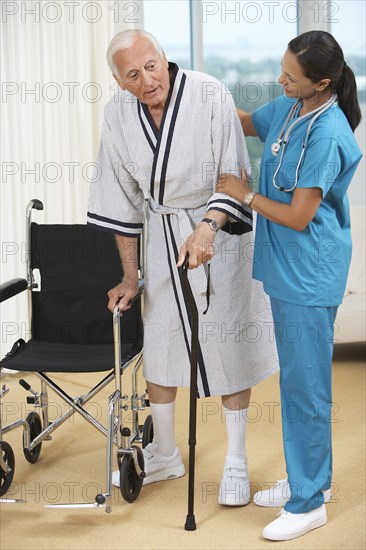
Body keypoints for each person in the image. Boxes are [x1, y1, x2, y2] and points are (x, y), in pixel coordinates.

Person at [87, 29, 278, 505]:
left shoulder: (209, 92)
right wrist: (131, 277)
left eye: (151, 65)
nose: (148, 79)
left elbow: (234, 173)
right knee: (163, 340)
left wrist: (207, 229)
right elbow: (121, 200)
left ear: (163, 57)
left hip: (221, 229)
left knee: (229, 337)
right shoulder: (117, 114)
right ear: (118, 81)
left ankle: (236, 460)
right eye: (133, 74)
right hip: (161, 233)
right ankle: (166, 452)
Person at [216, 30, 362, 539]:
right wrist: (190, 91)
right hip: (285, 270)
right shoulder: (289, 107)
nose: (280, 81)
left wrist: (244, 194)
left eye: (291, 76)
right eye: (281, 68)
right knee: (296, 382)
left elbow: (299, 216)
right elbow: (244, 120)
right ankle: (311, 482)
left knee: (305, 389)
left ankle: (308, 503)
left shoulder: (329, 132)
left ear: (322, 83)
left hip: (309, 273)